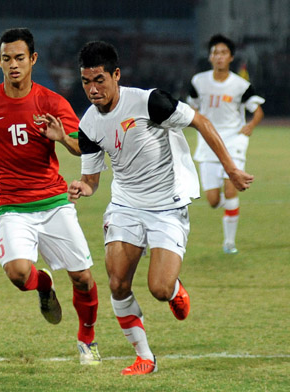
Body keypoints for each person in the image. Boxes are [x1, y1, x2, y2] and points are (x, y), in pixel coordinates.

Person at [68, 41, 254, 375]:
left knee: (160, 289)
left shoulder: (149, 101)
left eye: (99, 80)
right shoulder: (88, 126)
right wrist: (85, 186)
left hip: (167, 206)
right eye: (86, 82)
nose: (92, 89)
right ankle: (145, 357)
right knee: (117, 284)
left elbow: (201, 122)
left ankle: (174, 290)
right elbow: (92, 179)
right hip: (125, 205)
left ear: (116, 75)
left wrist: (231, 170)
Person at [0, 28, 102, 366]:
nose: (13, 65)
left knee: (84, 279)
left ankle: (87, 339)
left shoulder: (52, 102)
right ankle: (44, 285)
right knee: (18, 274)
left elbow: (80, 146)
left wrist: (61, 137)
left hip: (54, 203)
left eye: (19, 58)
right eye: (6, 58)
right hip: (12, 206)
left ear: (33, 59)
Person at [187, 34, 265, 254]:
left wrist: (250, 126)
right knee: (212, 200)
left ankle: (229, 243)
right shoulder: (198, 81)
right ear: (210, 57)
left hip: (233, 140)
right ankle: (231, 208)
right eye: (214, 53)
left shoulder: (241, 85)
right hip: (208, 140)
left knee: (230, 189)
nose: (218, 57)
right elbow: (190, 106)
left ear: (231, 57)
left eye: (223, 53)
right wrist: (195, 120)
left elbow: (257, 110)